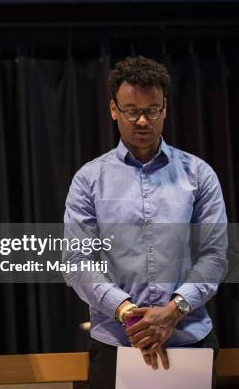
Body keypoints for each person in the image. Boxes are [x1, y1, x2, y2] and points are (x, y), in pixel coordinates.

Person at [63, 56, 227, 389]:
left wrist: (174, 310)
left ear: (165, 109)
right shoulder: (89, 179)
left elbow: (215, 255)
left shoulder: (199, 174)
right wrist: (129, 314)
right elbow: (78, 261)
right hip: (116, 342)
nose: (142, 121)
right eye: (130, 110)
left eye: (152, 110)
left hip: (189, 338)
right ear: (113, 109)